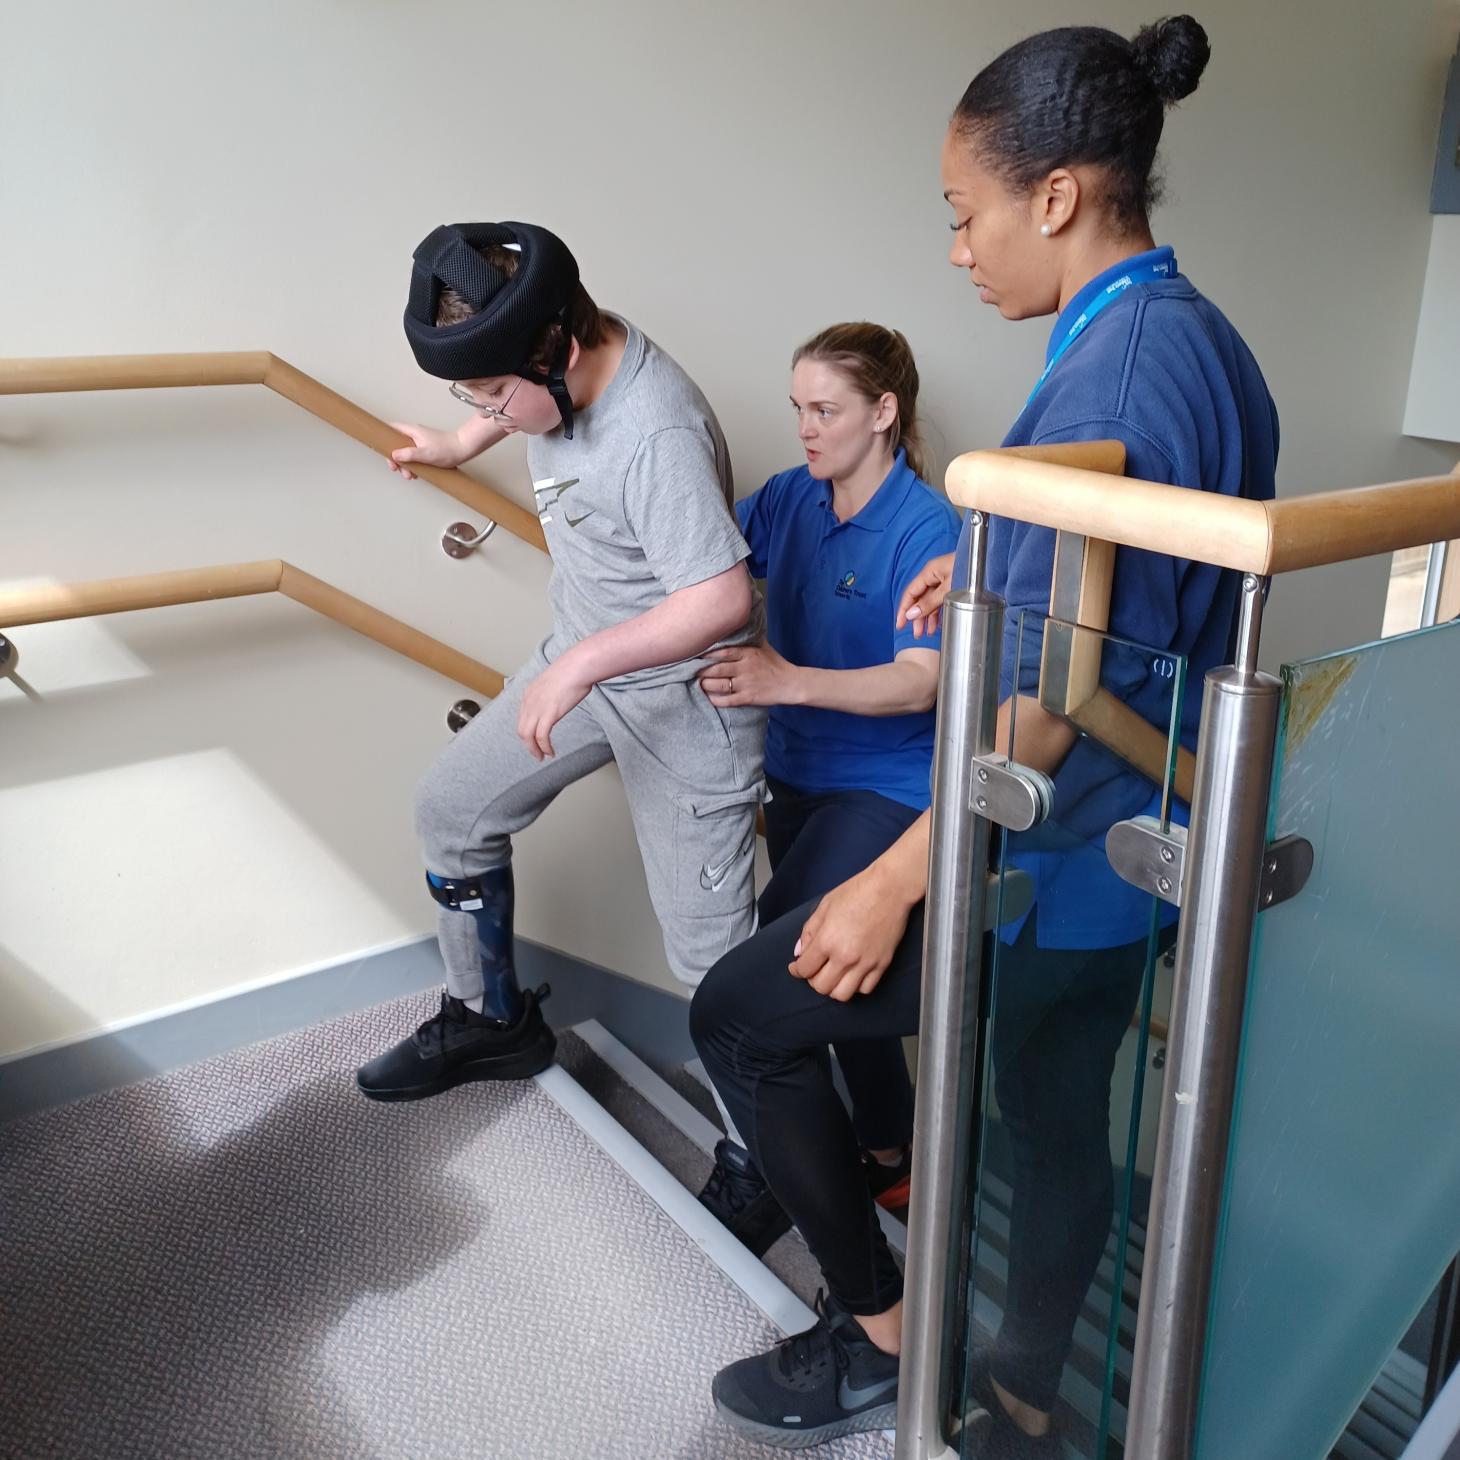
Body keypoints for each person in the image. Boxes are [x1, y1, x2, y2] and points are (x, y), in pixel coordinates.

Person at [690, 16, 1279, 1454]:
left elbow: (1070, 690)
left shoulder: (1117, 370)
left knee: (742, 1020)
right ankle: (1018, 1397)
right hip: (1123, 856)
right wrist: (994, 562)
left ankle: (882, 1331)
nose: (960, 250)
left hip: (1057, 854)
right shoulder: (1187, 336)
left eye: (967, 215)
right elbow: (1126, 580)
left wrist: (896, 880)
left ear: (1059, 196)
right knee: (1050, 1111)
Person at [356, 220, 766, 1101]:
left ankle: (757, 1164)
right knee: (451, 810)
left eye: (492, 398)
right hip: (590, 662)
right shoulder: (560, 351)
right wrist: (457, 445)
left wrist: (579, 667)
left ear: (562, 351)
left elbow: (723, 598)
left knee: (712, 963)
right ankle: (493, 1018)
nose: (489, 413)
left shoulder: (656, 432)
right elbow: (522, 405)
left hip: (688, 704)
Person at [692, 323, 961, 1255]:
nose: (806, 429)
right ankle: (889, 1150)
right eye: (798, 408)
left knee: (780, 974)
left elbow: (923, 679)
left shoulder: (929, 526)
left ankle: (791, 1184)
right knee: (850, 980)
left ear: (884, 413)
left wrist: (784, 679)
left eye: (826, 410)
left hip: (887, 794)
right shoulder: (791, 502)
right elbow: (704, 552)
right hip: (797, 778)